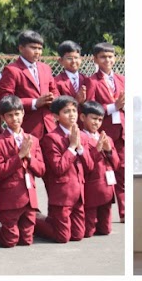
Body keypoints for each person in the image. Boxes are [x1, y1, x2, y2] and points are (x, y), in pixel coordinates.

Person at [0, 95, 44, 248]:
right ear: (3, 117)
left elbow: (41, 170)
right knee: (10, 241)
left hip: (30, 197)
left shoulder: (33, 140)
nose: (15, 118)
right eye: (10, 115)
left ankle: (37, 221)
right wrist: (19, 156)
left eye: (17, 113)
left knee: (27, 240)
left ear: (23, 113)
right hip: (11, 199)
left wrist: (29, 156)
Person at [83, 42, 126, 221]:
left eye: (110, 56)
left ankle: (124, 212)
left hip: (121, 131)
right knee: (103, 171)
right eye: (103, 57)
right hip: (104, 132)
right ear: (95, 59)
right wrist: (112, 107)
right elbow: (89, 106)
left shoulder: (122, 79)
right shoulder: (92, 81)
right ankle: (100, 211)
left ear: (115, 58)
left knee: (122, 169)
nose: (107, 60)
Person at [37, 96, 88, 243]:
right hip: (61, 195)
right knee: (62, 237)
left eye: (74, 110)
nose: (72, 114)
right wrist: (72, 147)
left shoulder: (80, 134)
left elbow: (89, 165)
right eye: (66, 111)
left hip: (78, 194)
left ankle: (53, 221)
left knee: (78, 235)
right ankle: (34, 220)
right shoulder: (51, 138)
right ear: (55, 116)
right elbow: (59, 168)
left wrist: (80, 148)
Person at [0, 30, 57, 140]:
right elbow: (6, 99)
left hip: (50, 125)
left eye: (40, 48)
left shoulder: (45, 68)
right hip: (28, 126)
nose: (37, 52)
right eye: (33, 48)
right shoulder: (12, 70)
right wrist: (34, 102)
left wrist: (53, 100)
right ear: (21, 48)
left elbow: (54, 91)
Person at [80, 100, 119, 237]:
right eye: (93, 118)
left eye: (100, 119)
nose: (96, 122)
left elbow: (116, 164)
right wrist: (97, 149)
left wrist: (109, 150)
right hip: (92, 186)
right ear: (83, 117)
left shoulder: (107, 138)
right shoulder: (80, 137)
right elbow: (86, 163)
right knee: (88, 231)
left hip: (107, 187)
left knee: (105, 230)